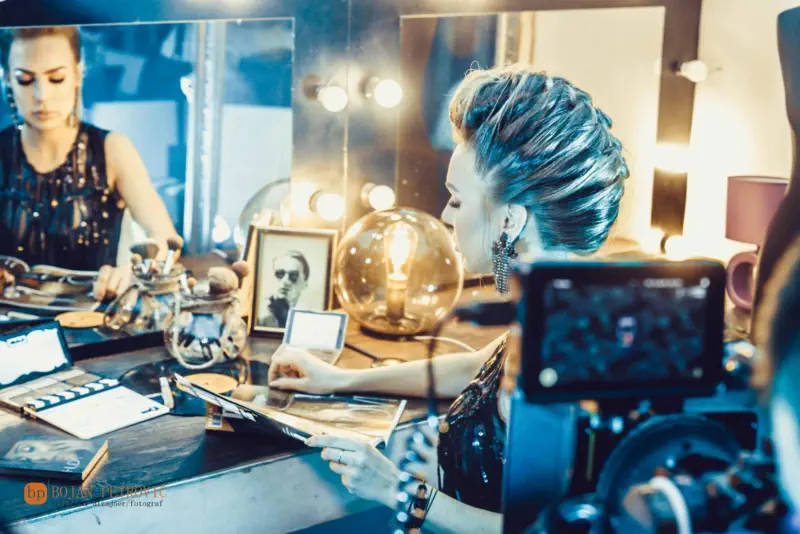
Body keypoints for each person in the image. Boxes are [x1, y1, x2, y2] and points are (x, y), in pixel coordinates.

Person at [268, 64, 629, 532]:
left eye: (456, 199)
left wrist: (399, 490)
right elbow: (479, 368)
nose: (445, 214)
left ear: (509, 221)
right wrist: (338, 380)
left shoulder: (568, 349)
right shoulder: (561, 307)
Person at [0, 26, 178, 300]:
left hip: (96, 319)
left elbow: (166, 238)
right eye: (25, 79)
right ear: (7, 80)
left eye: (56, 78)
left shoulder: (112, 149)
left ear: (77, 74)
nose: (42, 95)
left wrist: (133, 270)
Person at [258, 250, 309, 328]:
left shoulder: (306, 322)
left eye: (293, 275)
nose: (285, 281)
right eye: (280, 274)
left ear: (305, 283)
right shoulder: (261, 318)